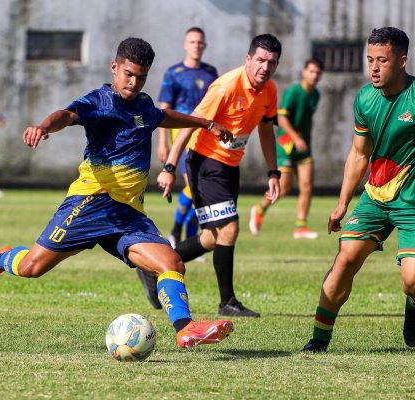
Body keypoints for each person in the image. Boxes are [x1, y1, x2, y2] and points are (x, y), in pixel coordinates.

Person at [0, 37, 234, 349]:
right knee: (32, 268)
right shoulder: (99, 102)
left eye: (141, 76)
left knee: (173, 263)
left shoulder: (144, 106)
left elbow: (164, 116)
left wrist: (206, 123)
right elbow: (66, 115)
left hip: (127, 215)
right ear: (114, 68)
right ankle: (3, 258)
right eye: (128, 74)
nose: (134, 82)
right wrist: (44, 126)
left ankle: (186, 328)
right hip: (90, 204)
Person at [139, 34, 282, 317]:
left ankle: (154, 266)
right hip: (204, 162)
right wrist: (169, 167)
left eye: (272, 62)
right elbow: (191, 124)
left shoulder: (269, 91)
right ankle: (227, 302)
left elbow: (266, 131)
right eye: (261, 60)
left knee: (212, 237)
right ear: (249, 59)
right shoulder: (226, 86)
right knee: (229, 228)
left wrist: (273, 172)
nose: (265, 67)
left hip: (230, 165)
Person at [303, 27, 415, 352]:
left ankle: (412, 305)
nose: (374, 68)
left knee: (411, 280)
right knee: (345, 259)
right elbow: (359, 154)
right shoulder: (365, 98)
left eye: (382, 60)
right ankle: (318, 341)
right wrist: (342, 203)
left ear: (402, 61)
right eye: (370, 60)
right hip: (375, 196)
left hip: (411, 202)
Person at [157, 27, 219, 248]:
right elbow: (164, 110)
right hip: (180, 133)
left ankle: (188, 237)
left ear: (205, 45)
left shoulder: (211, 72)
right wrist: (162, 142)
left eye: (200, 42)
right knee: (194, 186)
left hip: (205, 134)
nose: (196, 45)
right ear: (185, 44)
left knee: (198, 187)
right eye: (192, 42)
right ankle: (177, 233)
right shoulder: (174, 73)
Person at [249, 59, 323, 239]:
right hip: (286, 144)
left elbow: (309, 119)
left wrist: (307, 139)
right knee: (284, 187)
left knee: (307, 185)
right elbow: (281, 119)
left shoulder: (315, 95)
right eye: (311, 71)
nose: (314, 75)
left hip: (303, 147)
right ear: (304, 72)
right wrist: (296, 138)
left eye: (317, 73)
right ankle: (259, 209)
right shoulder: (293, 92)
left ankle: (300, 227)